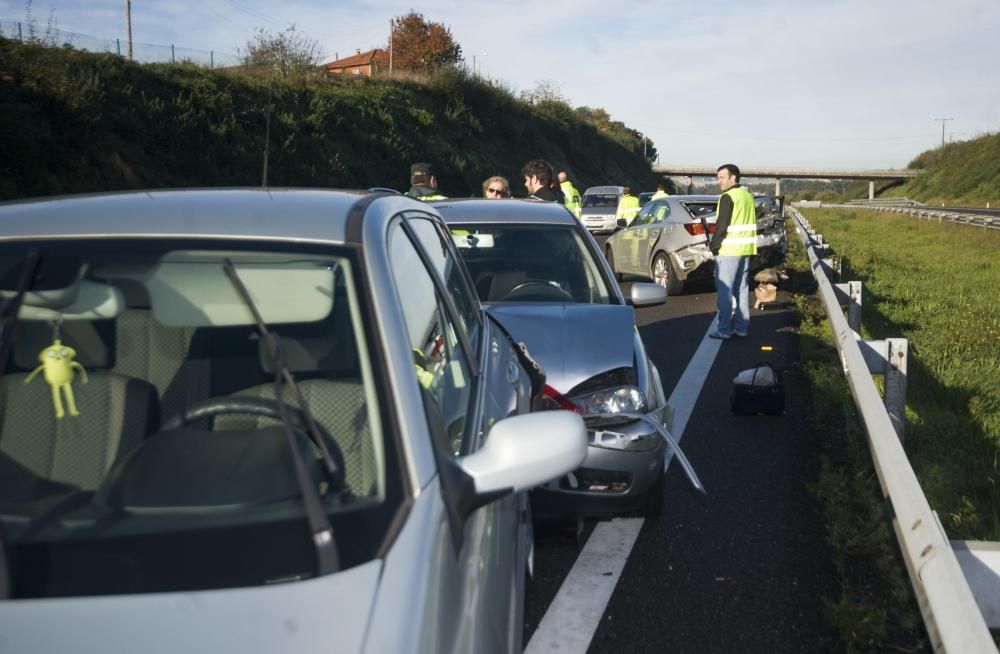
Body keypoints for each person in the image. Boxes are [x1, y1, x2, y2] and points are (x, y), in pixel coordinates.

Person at [708, 163, 757, 339]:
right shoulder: (748, 196)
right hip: (746, 250)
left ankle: (724, 330)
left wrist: (713, 246)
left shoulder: (727, 197)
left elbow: (722, 226)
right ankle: (742, 328)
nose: (719, 181)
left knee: (725, 292)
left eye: (722, 177)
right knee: (742, 290)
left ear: (732, 178)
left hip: (729, 250)